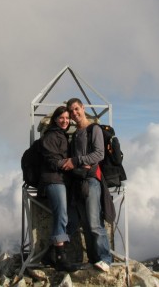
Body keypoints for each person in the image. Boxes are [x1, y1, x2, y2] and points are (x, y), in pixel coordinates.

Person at [62, 98, 113, 273]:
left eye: (77, 109)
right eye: (71, 111)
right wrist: (79, 164)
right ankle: (93, 260)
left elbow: (99, 154)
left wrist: (77, 161)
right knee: (85, 223)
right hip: (78, 182)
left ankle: (105, 258)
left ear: (83, 108)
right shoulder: (76, 134)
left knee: (94, 223)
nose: (74, 113)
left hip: (91, 180)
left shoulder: (94, 129)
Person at [39, 106, 78, 272]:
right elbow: (51, 160)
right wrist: (71, 163)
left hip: (62, 181)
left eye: (67, 118)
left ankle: (50, 253)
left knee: (73, 219)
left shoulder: (61, 135)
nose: (65, 121)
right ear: (55, 119)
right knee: (61, 215)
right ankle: (61, 258)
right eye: (61, 118)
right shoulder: (50, 135)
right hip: (53, 180)